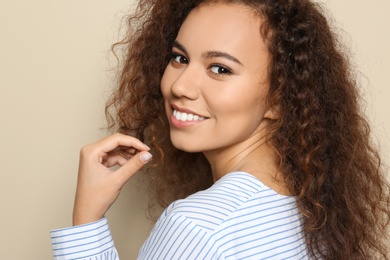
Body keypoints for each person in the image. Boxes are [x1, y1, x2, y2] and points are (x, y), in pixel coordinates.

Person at [50, 0, 390, 259]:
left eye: (219, 68)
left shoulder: (199, 227)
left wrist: (86, 220)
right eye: (179, 58)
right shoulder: (314, 208)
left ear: (280, 98)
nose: (180, 86)